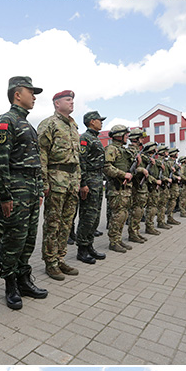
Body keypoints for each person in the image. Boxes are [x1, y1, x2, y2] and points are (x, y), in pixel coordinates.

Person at [0, 75, 47, 310]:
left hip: (31, 190)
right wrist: (4, 195)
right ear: (17, 94)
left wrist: (41, 188)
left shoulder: (28, 124)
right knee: (12, 239)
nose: (34, 97)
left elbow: (35, 161)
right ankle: (10, 284)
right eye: (30, 92)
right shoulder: (6, 121)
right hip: (16, 190)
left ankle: (24, 279)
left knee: (28, 239)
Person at [37, 90, 82, 281]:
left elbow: (77, 157)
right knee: (53, 223)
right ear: (57, 103)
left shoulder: (73, 126)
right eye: (68, 100)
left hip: (72, 181)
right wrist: (44, 182)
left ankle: (61, 258)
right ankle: (50, 262)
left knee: (67, 223)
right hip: (56, 179)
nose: (72, 103)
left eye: (73, 100)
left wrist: (78, 180)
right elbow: (42, 155)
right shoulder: (49, 124)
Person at [76, 111, 107, 264]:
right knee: (87, 215)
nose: (101, 123)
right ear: (91, 121)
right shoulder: (85, 138)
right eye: (99, 120)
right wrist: (83, 183)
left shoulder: (95, 138)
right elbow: (81, 161)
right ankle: (82, 249)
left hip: (98, 179)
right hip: (90, 180)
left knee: (95, 215)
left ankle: (89, 246)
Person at [104, 125, 134, 254]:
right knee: (117, 215)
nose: (127, 137)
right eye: (125, 134)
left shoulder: (123, 150)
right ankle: (113, 242)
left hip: (125, 188)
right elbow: (106, 167)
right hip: (116, 188)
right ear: (118, 135)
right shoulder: (111, 149)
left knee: (123, 214)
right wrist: (123, 175)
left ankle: (118, 239)